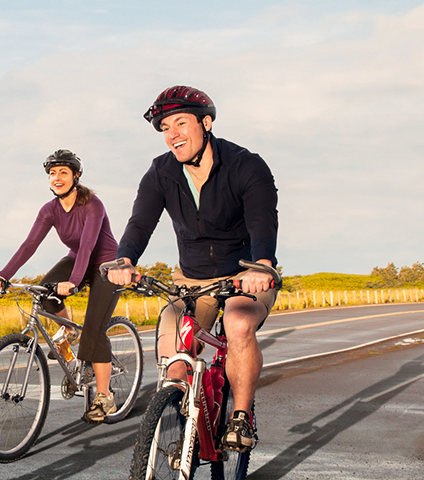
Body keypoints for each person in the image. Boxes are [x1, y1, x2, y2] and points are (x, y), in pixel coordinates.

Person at [104, 85, 278, 452]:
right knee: (174, 362)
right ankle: (187, 424)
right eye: (165, 127)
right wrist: (125, 259)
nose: (172, 134)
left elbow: (263, 222)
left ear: (206, 122)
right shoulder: (162, 172)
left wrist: (262, 265)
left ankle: (241, 417)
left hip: (242, 275)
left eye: (180, 123)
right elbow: (140, 223)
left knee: (238, 324)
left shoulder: (246, 165)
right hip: (190, 280)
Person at [0, 149, 122, 423]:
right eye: (52, 173)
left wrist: (73, 282)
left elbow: (87, 246)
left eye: (63, 172)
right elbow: (29, 245)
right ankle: (70, 330)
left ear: (76, 175)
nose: (56, 178)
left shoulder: (92, 204)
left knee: (95, 331)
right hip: (76, 259)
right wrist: (3, 275)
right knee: (46, 293)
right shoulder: (49, 210)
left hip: (107, 264)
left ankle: (105, 396)